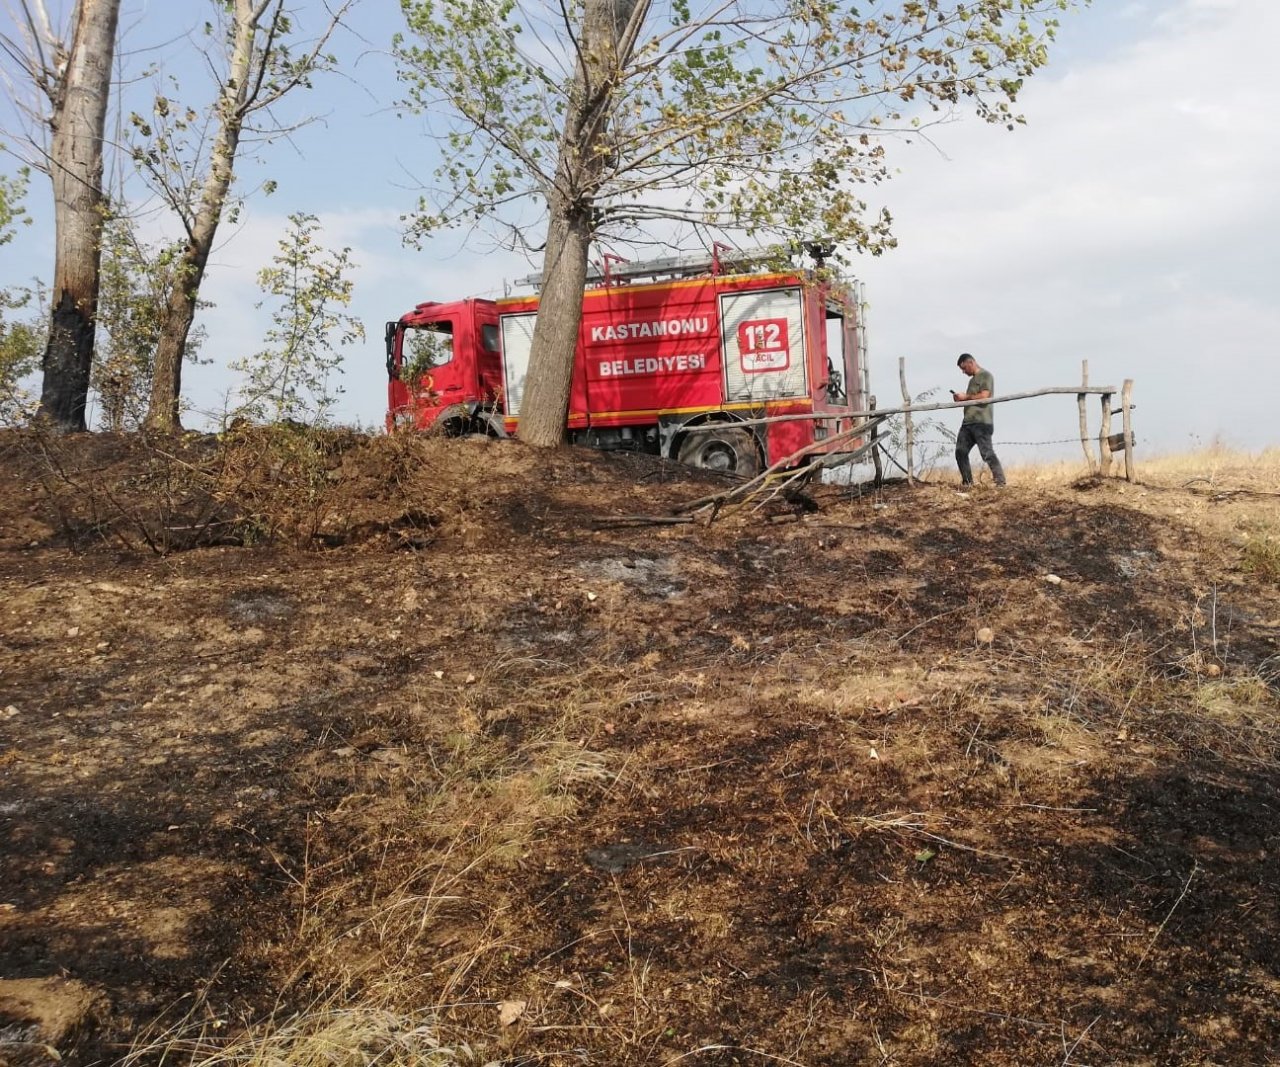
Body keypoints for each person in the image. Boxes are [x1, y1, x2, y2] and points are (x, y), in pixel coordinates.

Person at [952, 352, 1006, 487]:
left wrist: (966, 397)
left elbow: (984, 396)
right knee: (960, 452)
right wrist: (960, 399)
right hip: (967, 423)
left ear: (971, 362)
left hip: (981, 423)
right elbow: (972, 398)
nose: (963, 372)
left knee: (986, 453)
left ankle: (1000, 482)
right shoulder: (972, 380)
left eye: (964, 368)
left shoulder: (986, 375)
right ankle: (967, 483)